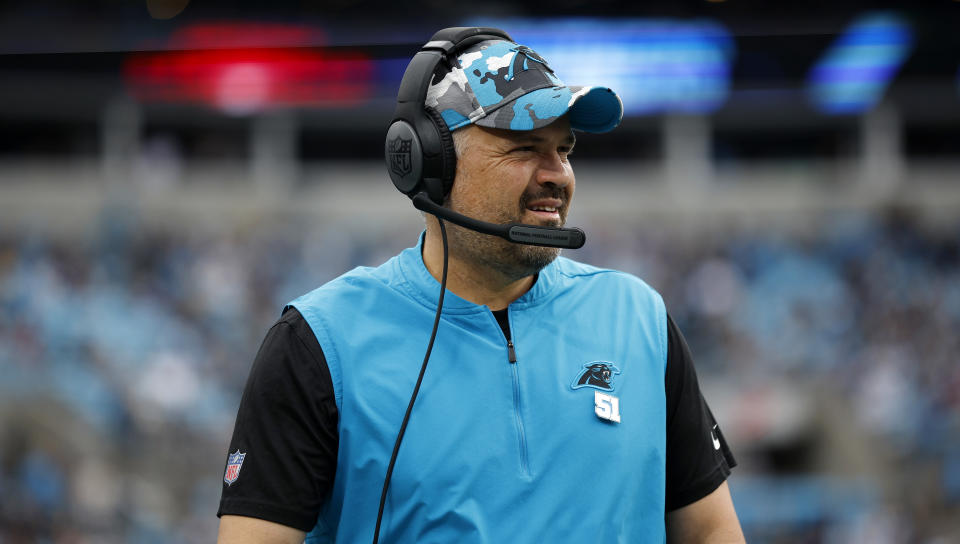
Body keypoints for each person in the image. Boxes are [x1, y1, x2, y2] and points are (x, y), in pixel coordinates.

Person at [217, 28, 744, 543]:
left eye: (564, 149)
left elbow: (711, 530)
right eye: (523, 149)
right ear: (430, 162)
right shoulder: (319, 342)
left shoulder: (638, 318)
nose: (556, 174)